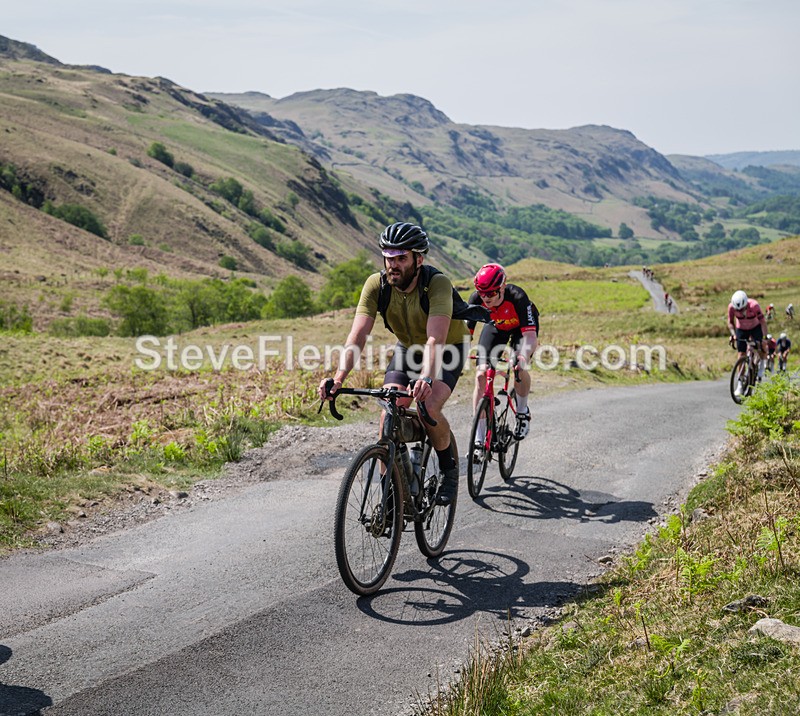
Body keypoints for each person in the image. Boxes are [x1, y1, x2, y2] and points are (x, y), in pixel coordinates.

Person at [318, 222, 470, 506]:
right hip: (408, 347)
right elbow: (358, 335)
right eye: (389, 257)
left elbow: (435, 339)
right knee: (389, 411)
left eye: (402, 258)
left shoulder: (437, 284)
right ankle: (393, 491)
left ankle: (449, 471)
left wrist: (425, 378)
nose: (394, 264)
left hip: (448, 347)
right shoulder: (376, 285)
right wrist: (338, 378)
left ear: (418, 259)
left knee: (428, 406)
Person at [467, 263, 540, 459]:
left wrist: (523, 356)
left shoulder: (517, 296)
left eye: (491, 293)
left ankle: (522, 411)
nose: (486, 298)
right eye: (482, 293)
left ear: (502, 286)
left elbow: (531, 337)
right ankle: (479, 439)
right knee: (481, 374)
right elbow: (465, 334)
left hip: (521, 330)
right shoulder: (476, 299)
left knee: (519, 366)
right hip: (496, 327)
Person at [727, 290, 768, 394]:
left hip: (755, 328)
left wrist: (763, 337)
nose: (740, 311)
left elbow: (762, 322)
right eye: (738, 310)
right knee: (741, 354)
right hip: (741, 329)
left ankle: (761, 365)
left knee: (761, 346)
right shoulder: (731, 307)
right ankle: (740, 384)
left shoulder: (754, 306)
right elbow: (730, 322)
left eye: (742, 309)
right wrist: (733, 334)